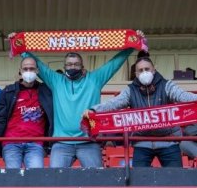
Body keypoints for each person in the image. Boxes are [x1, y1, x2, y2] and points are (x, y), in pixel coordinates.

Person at [19, 36, 138, 168]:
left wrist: (132, 45)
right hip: (61, 143)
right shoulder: (56, 81)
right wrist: (19, 46)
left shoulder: (94, 79)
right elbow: (37, 64)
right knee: (55, 181)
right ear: (64, 67)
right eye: (69, 64)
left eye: (76, 64)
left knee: (97, 180)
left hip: (89, 142)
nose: (73, 67)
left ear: (82, 66)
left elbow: (114, 63)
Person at [84, 56, 197, 167]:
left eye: (147, 69)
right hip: (142, 142)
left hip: (169, 141)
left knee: (176, 181)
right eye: (140, 70)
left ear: (154, 70)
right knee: (139, 182)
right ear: (136, 74)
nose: (144, 72)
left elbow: (183, 96)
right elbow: (113, 103)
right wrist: (94, 110)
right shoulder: (131, 90)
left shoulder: (167, 85)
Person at [0, 57, 53, 169]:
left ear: (37, 71)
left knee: (37, 177)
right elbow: (1, 117)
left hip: (36, 144)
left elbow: (51, 116)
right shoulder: (8, 91)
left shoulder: (46, 91)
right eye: (25, 69)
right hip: (11, 143)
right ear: (20, 70)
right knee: (13, 177)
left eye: (32, 68)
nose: (28, 71)